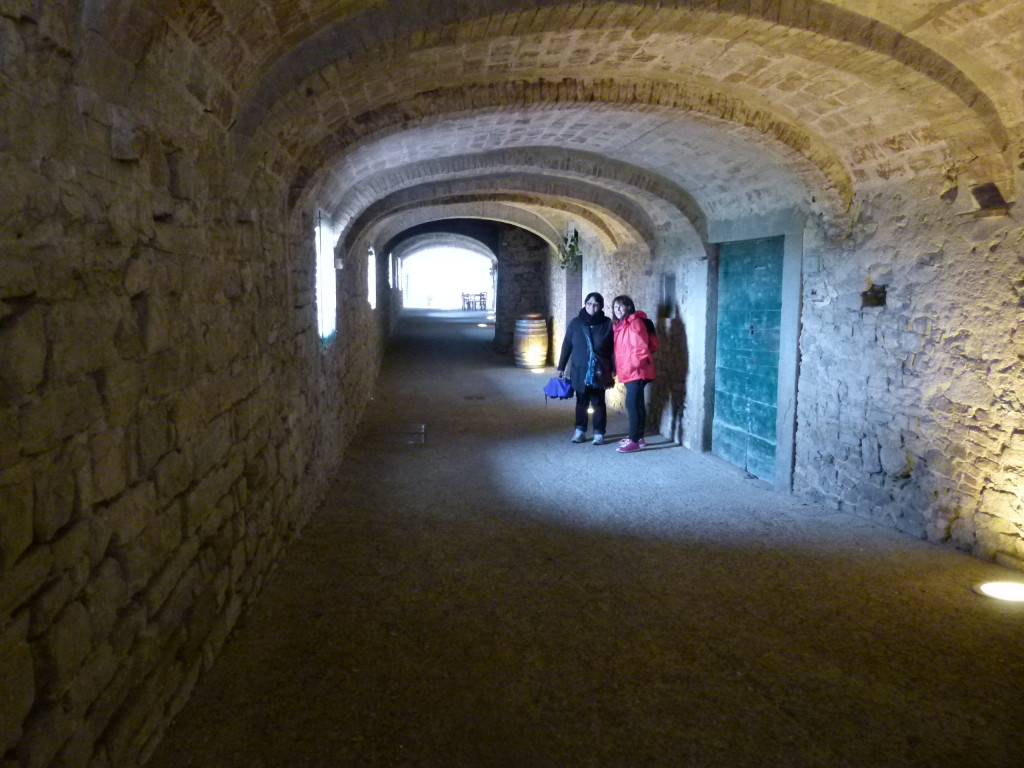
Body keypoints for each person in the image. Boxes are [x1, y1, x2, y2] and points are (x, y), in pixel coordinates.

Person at [556, 292, 614, 445]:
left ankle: (599, 433)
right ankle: (580, 430)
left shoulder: (607, 324)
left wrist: (613, 368)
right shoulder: (576, 323)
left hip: (599, 370)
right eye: (589, 304)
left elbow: (613, 348)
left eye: (595, 304)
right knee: (581, 401)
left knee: (598, 401)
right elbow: (567, 344)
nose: (592, 307)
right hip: (580, 369)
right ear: (585, 304)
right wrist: (561, 366)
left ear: (600, 306)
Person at [611, 295, 658, 453]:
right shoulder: (621, 325)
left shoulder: (634, 322)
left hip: (636, 370)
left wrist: (632, 367)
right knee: (637, 403)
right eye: (615, 307)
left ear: (629, 307)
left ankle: (634, 440)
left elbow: (640, 347)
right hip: (631, 371)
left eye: (621, 306)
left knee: (632, 404)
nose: (617, 309)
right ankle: (639, 437)